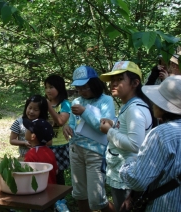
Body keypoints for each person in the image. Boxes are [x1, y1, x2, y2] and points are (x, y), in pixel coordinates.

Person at [119, 75, 181, 212]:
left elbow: (138, 180)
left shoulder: (161, 134)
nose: (153, 103)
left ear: (165, 107)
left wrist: (127, 164)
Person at [99, 61, 155, 212]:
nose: (113, 84)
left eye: (119, 79)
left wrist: (109, 131)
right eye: (112, 80)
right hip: (122, 173)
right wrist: (114, 123)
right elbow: (128, 130)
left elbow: (135, 145)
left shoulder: (134, 109)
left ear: (135, 83)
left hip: (127, 177)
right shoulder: (129, 106)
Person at [63, 66, 116, 212]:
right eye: (78, 88)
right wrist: (67, 127)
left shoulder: (106, 101)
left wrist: (85, 112)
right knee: (79, 194)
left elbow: (103, 127)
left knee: (96, 200)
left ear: (94, 84)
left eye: (84, 88)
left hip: (95, 153)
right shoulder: (76, 102)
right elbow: (74, 124)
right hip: (76, 150)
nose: (81, 92)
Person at [44, 75, 71, 185]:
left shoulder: (65, 104)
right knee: (46, 172)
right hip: (45, 144)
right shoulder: (44, 103)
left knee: (58, 173)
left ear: (59, 88)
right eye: (46, 87)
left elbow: (60, 121)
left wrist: (49, 107)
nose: (48, 90)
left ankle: (61, 199)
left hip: (59, 145)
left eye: (51, 87)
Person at [9, 95, 49, 160]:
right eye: (30, 108)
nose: (31, 112)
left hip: (41, 158)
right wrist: (24, 143)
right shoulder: (19, 122)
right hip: (24, 158)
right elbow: (12, 140)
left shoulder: (44, 124)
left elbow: (49, 141)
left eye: (35, 110)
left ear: (42, 111)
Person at [23, 118, 58, 184]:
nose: (26, 131)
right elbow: (56, 171)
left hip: (38, 191)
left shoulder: (30, 155)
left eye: (27, 129)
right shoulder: (50, 152)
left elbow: (26, 175)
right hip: (52, 189)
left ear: (33, 136)